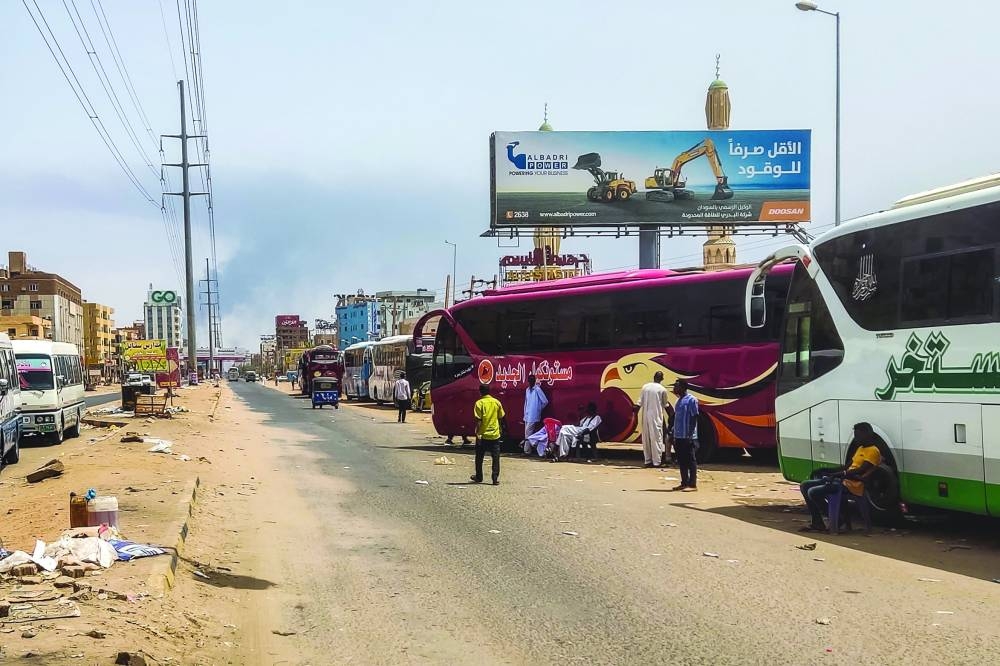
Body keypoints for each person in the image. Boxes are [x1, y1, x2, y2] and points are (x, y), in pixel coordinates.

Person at [799, 422, 883, 532]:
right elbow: (847, 467)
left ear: (867, 434)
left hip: (854, 484)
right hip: (844, 480)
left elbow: (860, 470)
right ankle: (817, 522)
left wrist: (838, 475)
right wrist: (827, 470)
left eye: (858, 435)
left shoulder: (873, 451)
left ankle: (838, 519)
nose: (856, 438)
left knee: (813, 492)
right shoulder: (860, 449)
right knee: (804, 485)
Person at [471, 383, 505, 486]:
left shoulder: (479, 403)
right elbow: (501, 417)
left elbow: (478, 420)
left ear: (480, 392)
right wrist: (500, 429)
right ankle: (495, 478)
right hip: (495, 434)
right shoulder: (496, 402)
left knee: (479, 457)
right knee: (495, 458)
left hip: (483, 435)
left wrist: (478, 433)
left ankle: (479, 476)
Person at [671, 379, 699, 491]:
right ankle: (684, 482)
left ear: (683, 387)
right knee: (681, 460)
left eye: (676, 386)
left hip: (688, 436)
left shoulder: (691, 400)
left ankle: (692, 484)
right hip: (679, 436)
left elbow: (694, 417)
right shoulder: (679, 401)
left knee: (691, 460)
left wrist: (690, 434)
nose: (674, 389)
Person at [638, 371, 670, 468]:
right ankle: (657, 462)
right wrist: (672, 416)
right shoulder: (662, 389)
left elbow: (639, 403)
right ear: (662, 379)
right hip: (656, 417)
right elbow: (666, 405)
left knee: (646, 438)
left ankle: (648, 460)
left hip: (645, 417)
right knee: (657, 438)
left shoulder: (645, 387)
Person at [522, 374, 549, 450]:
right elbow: (526, 403)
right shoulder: (527, 390)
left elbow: (545, 401)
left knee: (528, 433)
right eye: (529, 380)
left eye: (532, 380)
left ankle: (526, 450)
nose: (530, 382)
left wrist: (538, 409)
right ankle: (530, 448)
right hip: (527, 414)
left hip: (533, 415)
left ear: (534, 381)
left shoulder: (537, 389)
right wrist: (524, 413)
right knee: (527, 433)